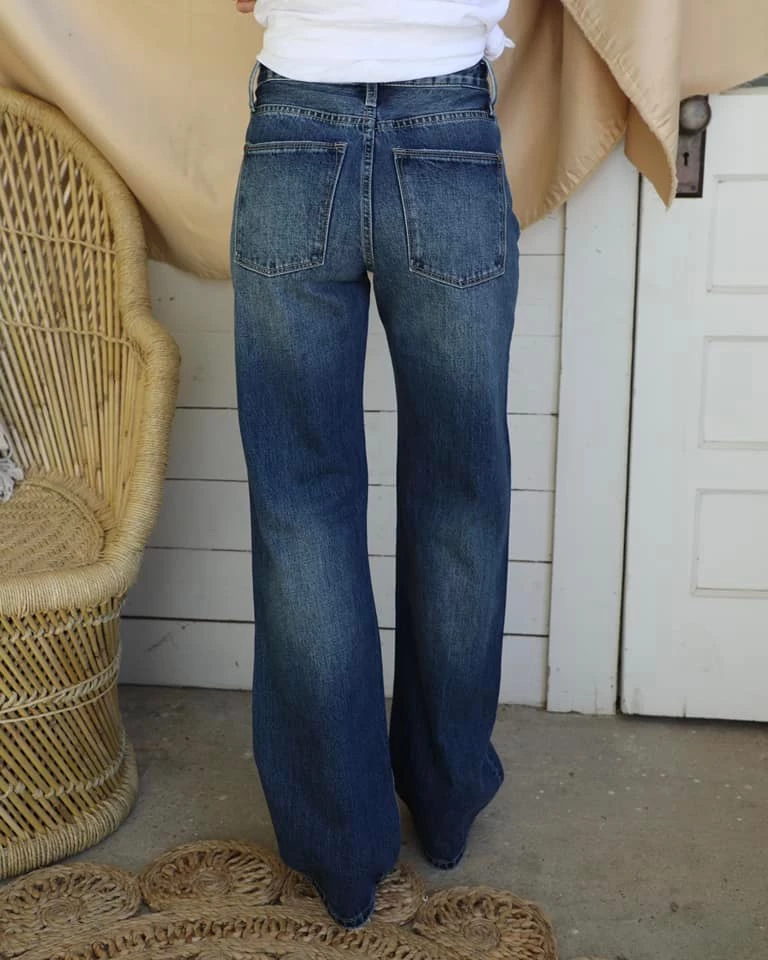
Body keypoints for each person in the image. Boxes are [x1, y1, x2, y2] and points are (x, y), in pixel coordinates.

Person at [230, 0, 519, 930]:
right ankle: (444, 802)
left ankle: (343, 852)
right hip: (448, 126)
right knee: (460, 497)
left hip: (295, 124)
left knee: (301, 505)